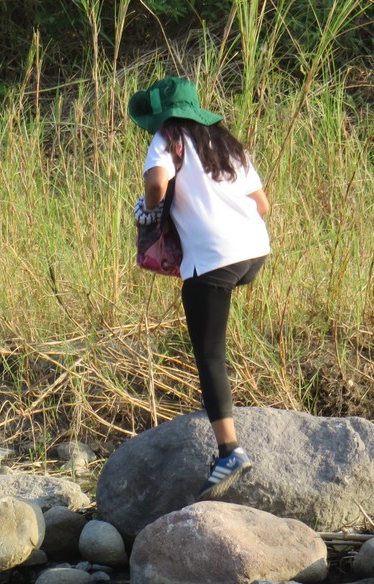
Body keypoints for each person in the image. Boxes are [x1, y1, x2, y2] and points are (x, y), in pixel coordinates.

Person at [127, 76, 271, 500]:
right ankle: (227, 442)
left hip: (213, 259)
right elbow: (262, 205)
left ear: (163, 116)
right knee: (212, 325)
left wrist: (150, 210)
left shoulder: (167, 139)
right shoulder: (226, 142)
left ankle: (229, 451)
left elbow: (156, 183)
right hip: (254, 250)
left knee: (209, 355)